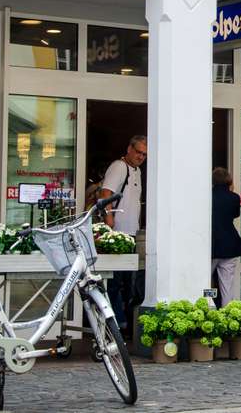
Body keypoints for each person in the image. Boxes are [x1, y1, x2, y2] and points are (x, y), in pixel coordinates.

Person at [98, 135, 147, 334]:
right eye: (138, 152)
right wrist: (109, 219)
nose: (141, 157)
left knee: (127, 282)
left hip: (130, 233)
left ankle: (123, 323)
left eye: (144, 154)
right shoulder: (119, 167)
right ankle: (115, 324)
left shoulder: (138, 171)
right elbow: (106, 193)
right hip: (117, 234)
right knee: (115, 281)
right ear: (129, 149)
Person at [211, 168, 241, 305]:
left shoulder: (207, 196)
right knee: (227, 286)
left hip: (211, 245)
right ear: (229, 180)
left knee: (203, 282)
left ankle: (206, 309)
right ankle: (226, 314)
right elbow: (235, 214)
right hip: (230, 245)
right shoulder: (234, 197)